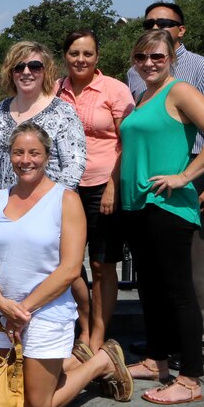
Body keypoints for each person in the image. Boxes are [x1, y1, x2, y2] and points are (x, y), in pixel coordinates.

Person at [0, 123, 133, 407]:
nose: (26, 160)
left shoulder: (66, 200)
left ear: (47, 156)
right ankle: (72, 362)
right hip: (2, 310)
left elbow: (70, 268)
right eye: (18, 152)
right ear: (10, 156)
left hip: (44, 313)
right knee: (7, 394)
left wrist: (23, 310)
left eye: (34, 153)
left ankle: (101, 361)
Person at [120, 29, 204, 404]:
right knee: (150, 289)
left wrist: (185, 176)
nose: (149, 63)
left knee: (179, 293)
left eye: (157, 57)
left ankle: (189, 379)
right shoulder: (144, 95)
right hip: (139, 204)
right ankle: (157, 361)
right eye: (142, 57)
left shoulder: (179, 90)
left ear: (171, 58)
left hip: (168, 205)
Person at [0, 41, 89, 344]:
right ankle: (7, 325)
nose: (26, 72)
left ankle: (87, 331)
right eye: (20, 66)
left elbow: (75, 163)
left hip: (47, 208)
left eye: (35, 66)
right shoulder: (3, 108)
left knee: (64, 270)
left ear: (46, 72)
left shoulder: (62, 111)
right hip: (5, 203)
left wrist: (52, 204)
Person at [55, 29, 135, 353]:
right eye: (74, 53)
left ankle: (97, 334)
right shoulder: (54, 91)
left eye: (87, 53)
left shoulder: (114, 90)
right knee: (69, 264)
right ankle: (84, 323)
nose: (81, 59)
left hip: (104, 183)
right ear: (65, 56)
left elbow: (127, 141)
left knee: (102, 264)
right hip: (64, 187)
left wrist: (113, 186)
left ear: (97, 57)